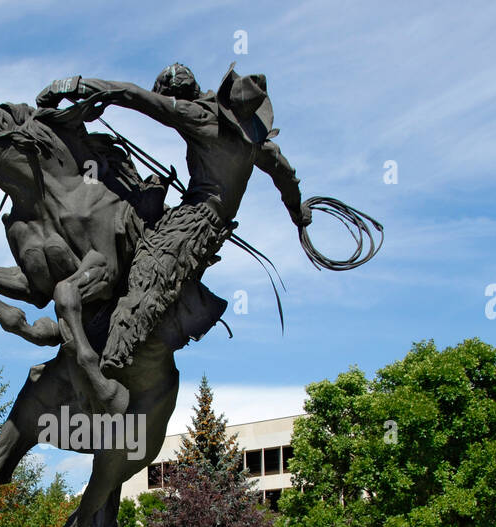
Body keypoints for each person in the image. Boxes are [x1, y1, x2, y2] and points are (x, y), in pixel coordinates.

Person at [37, 63, 310, 379]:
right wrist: (297, 212)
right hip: (202, 222)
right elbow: (286, 176)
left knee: (146, 272)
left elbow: (132, 94)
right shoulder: (258, 145)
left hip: (193, 223)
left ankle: (113, 357)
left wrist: (73, 86)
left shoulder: (200, 119)